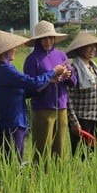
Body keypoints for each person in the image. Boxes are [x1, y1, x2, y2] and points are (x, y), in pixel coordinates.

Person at [0, 29, 68, 163]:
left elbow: (27, 91)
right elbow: (31, 82)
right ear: (5, 51)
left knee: (15, 162)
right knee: (13, 164)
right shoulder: (5, 70)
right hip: (12, 123)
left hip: (16, 122)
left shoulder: (4, 68)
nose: (15, 50)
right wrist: (53, 72)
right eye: (13, 48)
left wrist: (48, 82)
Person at [23, 20, 77, 163]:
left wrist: (68, 75)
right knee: (42, 149)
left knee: (60, 149)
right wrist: (50, 79)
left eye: (50, 38)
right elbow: (29, 89)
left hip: (61, 108)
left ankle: (58, 180)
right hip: (42, 109)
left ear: (54, 38)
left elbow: (74, 82)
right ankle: (40, 179)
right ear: (38, 40)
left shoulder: (61, 55)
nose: (48, 41)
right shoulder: (32, 59)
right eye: (44, 38)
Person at [65, 32, 97, 156]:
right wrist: (74, 122)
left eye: (94, 47)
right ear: (80, 49)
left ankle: (89, 175)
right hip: (81, 118)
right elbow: (68, 98)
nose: (93, 49)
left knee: (92, 153)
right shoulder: (74, 69)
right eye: (89, 46)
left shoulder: (94, 68)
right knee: (80, 154)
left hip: (94, 117)